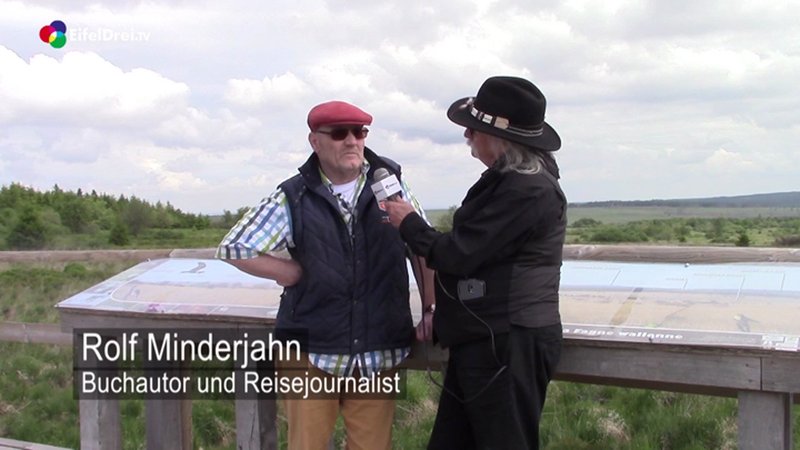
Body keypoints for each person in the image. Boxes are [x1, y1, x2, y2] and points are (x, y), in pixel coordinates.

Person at [217, 100, 435, 450]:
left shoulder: (391, 186)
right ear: (315, 141)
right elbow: (234, 247)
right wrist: (287, 271)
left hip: (378, 351)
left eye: (359, 132)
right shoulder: (294, 195)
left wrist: (430, 309)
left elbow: (423, 247)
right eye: (339, 133)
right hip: (310, 351)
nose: (352, 141)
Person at [384, 76, 566, 450]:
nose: (467, 135)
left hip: (507, 344)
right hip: (489, 340)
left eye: (474, 129)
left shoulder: (527, 190)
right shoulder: (517, 183)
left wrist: (409, 223)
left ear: (499, 139)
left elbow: (459, 254)